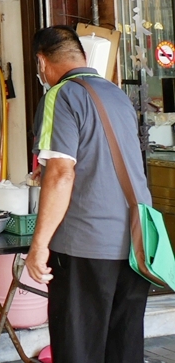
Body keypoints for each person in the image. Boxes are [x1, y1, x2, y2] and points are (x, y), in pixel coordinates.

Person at [25, 25, 153, 363]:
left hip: (84, 247)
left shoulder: (61, 94)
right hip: (136, 245)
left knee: (79, 351)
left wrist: (38, 248)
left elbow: (61, 172)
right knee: (123, 350)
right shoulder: (116, 94)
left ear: (41, 62)